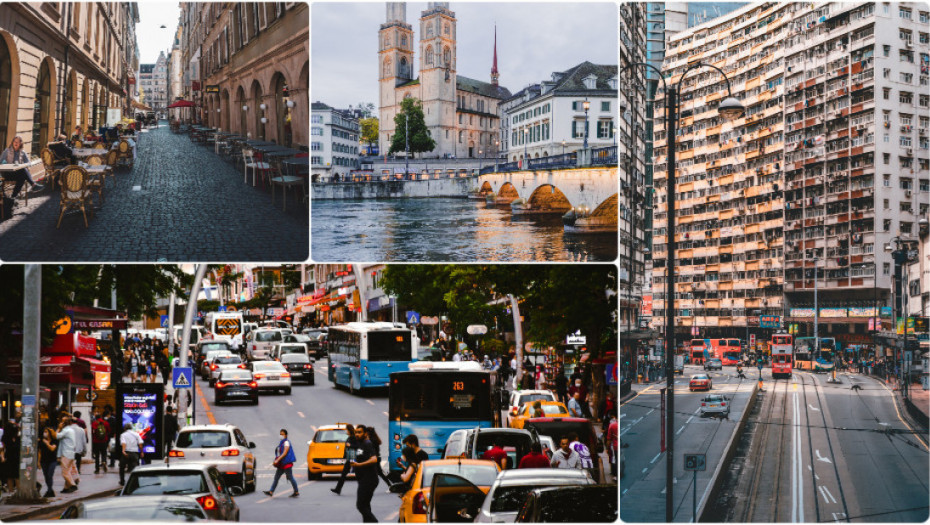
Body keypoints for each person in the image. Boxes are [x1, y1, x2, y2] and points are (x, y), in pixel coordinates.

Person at [349, 425, 379, 522]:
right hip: (362, 479)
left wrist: (359, 465)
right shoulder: (359, 444)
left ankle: (374, 522)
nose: (357, 434)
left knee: (361, 505)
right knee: (365, 505)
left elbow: (374, 459)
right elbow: (353, 458)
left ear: (365, 434)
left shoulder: (367, 443)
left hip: (369, 479)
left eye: (359, 432)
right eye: (356, 432)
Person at [0, 136, 44, 202]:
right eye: (15, 142)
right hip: (7, 173)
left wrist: (22, 165)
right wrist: (5, 164)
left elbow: (29, 163)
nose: (16, 143)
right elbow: (0, 161)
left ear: (20, 143)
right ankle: (33, 184)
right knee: (23, 171)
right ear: (12, 142)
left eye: (18, 142)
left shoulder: (22, 152)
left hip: (16, 174)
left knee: (22, 176)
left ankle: (13, 197)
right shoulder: (7, 151)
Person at [263, 428, 299, 497]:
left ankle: (296, 491)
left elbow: (285, 453)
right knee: (276, 477)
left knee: (290, 477)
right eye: (280, 434)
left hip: (286, 463)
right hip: (281, 464)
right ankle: (271, 491)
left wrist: (277, 460)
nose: (281, 435)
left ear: (286, 435)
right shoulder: (281, 442)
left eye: (282, 434)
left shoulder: (286, 442)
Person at [330, 424, 357, 495]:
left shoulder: (353, 437)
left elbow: (357, 446)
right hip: (349, 457)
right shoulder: (350, 437)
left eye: (346, 429)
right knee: (344, 474)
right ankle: (338, 489)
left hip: (353, 458)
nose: (346, 431)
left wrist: (350, 445)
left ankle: (338, 489)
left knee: (358, 473)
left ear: (349, 430)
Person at [56, 415, 78, 493]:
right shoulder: (70, 430)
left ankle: (72, 485)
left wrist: (58, 428)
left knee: (64, 472)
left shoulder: (65, 430)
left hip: (66, 453)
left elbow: (56, 436)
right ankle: (66, 488)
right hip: (71, 453)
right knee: (68, 471)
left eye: (62, 421)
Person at [39, 425, 58, 497]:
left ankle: (49, 490)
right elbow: (39, 452)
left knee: (50, 474)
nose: (45, 433)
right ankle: (50, 490)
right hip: (43, 461)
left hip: (52, 460)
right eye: (44, 432)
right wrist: (38, 462)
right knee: (46, 476)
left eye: (46, 432)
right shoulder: (41, 441)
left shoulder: (54, 440)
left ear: (50, 433)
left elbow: (52, 449)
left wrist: (47, 443)